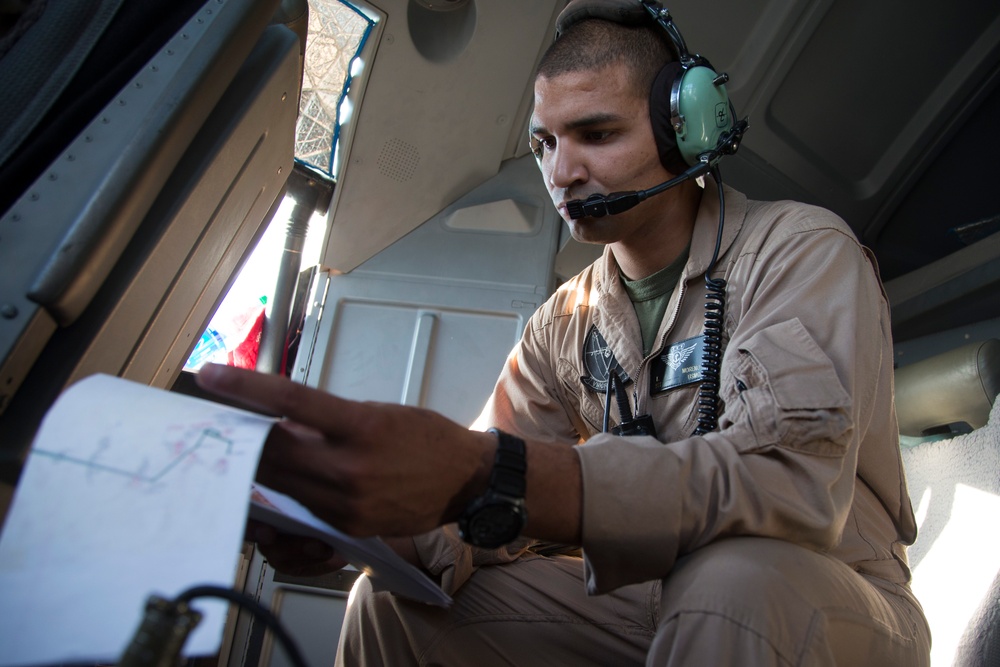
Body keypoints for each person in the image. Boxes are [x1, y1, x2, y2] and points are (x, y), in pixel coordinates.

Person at [198, 0, 932, 664]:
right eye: (545, 142)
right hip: (657, 598)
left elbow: (790, 490)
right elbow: (480, 485)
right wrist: (366, 528)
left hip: (834, 598)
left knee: (728, 583)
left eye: (596, 134)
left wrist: (488, 473)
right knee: (393, 602)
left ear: (688, 130)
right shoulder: (568, 318)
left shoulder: (801, 250)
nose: (562, 172)